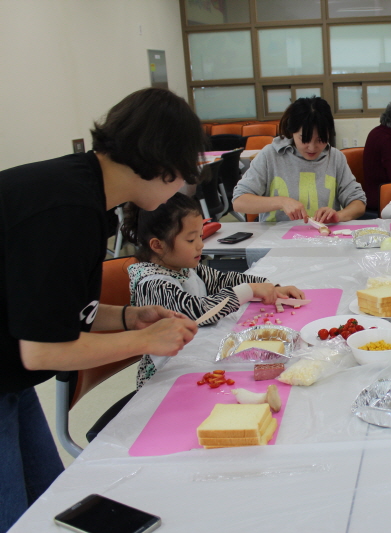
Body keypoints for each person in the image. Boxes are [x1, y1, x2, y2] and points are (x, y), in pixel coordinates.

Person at [0, 88, 203, 532]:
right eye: (183, 174)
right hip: (12, 367)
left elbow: (66, 311)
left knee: (47, 503)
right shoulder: (66, 209)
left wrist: (131, 318)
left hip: (10, 377)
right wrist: (143, 341)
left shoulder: (89, 195)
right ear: (163, 164)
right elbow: (41, 351)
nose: (180, 187)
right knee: (15, 516)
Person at [122, 193, 305, 389]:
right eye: (191, 240)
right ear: (158, 245)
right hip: (164, 377)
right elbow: (197, 311)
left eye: (200, 236)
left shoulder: (183, 266)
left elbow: (222, 280)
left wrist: (269, 287)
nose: (201, 245)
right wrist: (249, 290)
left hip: (194, 354)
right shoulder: (152, 283)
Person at [232, 97, 366, 223]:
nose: (312, 147)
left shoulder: (335, 158)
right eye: (304, 139)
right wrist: (281, 202)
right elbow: (239, 201)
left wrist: (338, 216)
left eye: (321, 139)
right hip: (276, 240)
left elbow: (358, 202)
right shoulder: (271, 155)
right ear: (292, 132)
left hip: (322, 240)